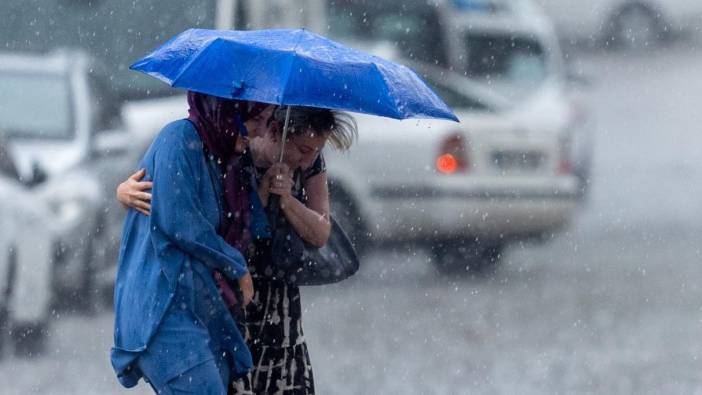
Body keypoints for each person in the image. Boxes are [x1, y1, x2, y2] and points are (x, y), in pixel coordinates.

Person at [117, 106, 357, 394]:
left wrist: (288, 201)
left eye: (315, 152)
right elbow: (181, 204)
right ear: (277, 132)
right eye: (303, 149)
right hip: (231, 291)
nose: (308, 161)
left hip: (277, 297)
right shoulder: (234, 147)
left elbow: (321, 232)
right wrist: (123, 192)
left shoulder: (310, 166)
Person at [111, 91, 274, 395]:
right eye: (256, 120)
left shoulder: (221, 157)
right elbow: (180, 221)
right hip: (163, 311)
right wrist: (236, 267)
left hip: (199, 308)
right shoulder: (179, 139)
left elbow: (246, 225)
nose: (260, 133)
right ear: (228, 112)